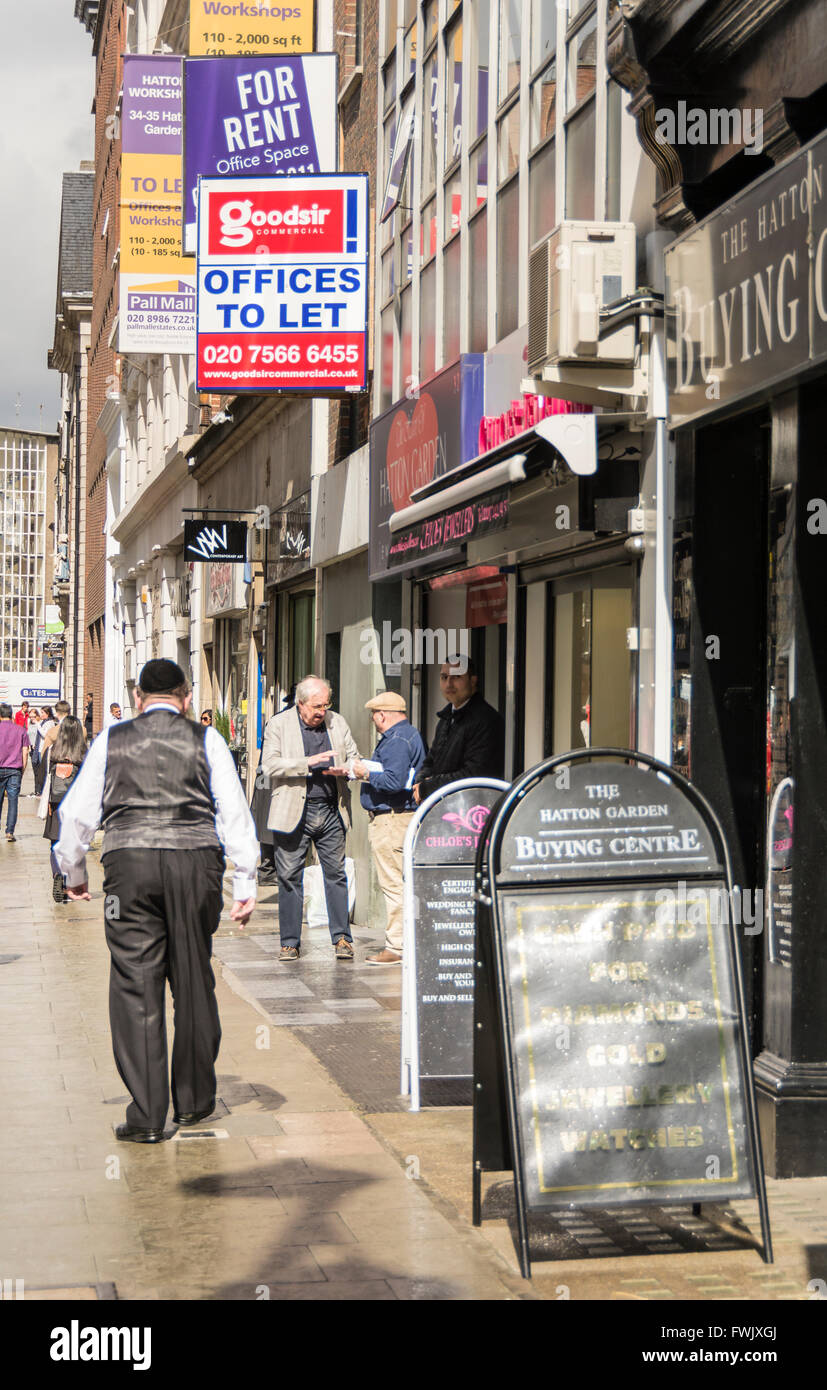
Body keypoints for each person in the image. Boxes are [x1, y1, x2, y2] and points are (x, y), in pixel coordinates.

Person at [55, 659, 259, 1144]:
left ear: (139, 699)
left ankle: (147, 1116)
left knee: (133, 982)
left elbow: (77, 816)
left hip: (129, 867)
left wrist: (74, 872)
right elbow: (234, 811)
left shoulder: (111, 738)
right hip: (197, 864)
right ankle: (193, 1102)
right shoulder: (207, 740)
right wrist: (245, 881)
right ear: (187, 697)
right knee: (193, 974)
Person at [261, 675, 359, 962]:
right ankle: (289, 942)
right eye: (317, 706)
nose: (322, 711)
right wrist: (308, 763)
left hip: (331, 809)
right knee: (290, 877)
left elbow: (352, 755)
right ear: (300, 704)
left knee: (336, 875)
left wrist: (350, 769)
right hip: (294, 812)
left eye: (326, 705)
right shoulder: (279, 724)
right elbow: (269, 765)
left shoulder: (337, 723)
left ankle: (342, 938)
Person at [352, 691, 425, 965]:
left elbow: (394, 782)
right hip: (401, 818)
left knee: (394, 885)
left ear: (383, 715)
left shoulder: (395, 741)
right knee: (402, 883)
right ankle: (404, 942)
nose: (374, 721)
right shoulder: (410, 735)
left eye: (374, 716)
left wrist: (365, 773)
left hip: (392, 820)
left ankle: (397, 947)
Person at [413, 656, 505, 804]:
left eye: (457, 677)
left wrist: (428, 786)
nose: (449, 683)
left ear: (473, 680)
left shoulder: (486, 720)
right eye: (444, 677)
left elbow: (475, 774)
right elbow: (430, 762)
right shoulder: (446, 718)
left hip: (472, 811)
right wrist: (420, 782)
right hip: (443, 808)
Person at [43, 716, 87, 903]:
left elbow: (43, 777)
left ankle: (57, 874)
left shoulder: (53, 752)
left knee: (55, 843)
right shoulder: (84, 753)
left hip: (55, 803)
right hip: (75, 805)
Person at [0, 703, 30, 842]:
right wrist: (22, 770)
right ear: (11, 715)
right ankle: (10, 831)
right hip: (14, 769)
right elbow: (25, 753)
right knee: (13, 801)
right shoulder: (21, 730)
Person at [31, 707, 57, 798]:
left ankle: (42, 790)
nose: (41, 715)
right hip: (39, 748)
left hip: (43, 749)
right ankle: (38, 790)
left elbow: (45, 735)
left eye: (42, 713)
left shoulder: (49, 723)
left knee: (43, 771)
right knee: (38, 770)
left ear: (48, 713)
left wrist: (37, 724)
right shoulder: (44, 722)